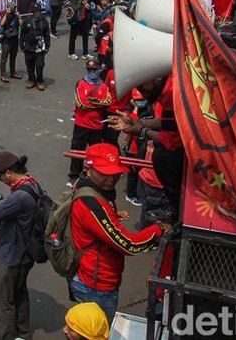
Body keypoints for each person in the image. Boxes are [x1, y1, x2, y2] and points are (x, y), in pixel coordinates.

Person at [69, 143, 168, 320]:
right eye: (104, 174)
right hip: (96, 286)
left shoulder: (94, 190)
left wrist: (112, 215)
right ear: (88, 170)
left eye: (115, 173)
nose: (111, 179)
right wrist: (159, 228)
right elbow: (129, 245)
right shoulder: (92, 205)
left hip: (95, 279)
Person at [0, 152, 40, 340]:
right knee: (20, 294)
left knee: (2, 304)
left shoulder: (19, 197)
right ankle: (23, 334)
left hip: (12, 256)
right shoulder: (32, 184)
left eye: (0, 177)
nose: (1, 181)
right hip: (26, 254)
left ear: (8, 173)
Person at [69, 59, 112, 185]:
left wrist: (92, 102)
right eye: (89, 70)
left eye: (94, 70)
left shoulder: (103, 86)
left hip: (97, 126)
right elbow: (81, 104)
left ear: (99, 70)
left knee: (95, 154)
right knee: (77, 151)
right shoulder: (80, 84)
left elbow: (108, 102)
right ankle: (74, 175)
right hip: (81, 124)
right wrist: (98, 103)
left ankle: (94, 176)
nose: (92, 72)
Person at [19, 1, 51, 90]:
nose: (37, 13)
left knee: (39, 65)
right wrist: (22, 45)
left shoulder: (44, 21)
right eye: (35, 11)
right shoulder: (27, 21)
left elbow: (47, 34)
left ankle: (40, 81)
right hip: (29, 47)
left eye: (39, 11)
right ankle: (31, 80)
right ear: (32, 12)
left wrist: (47, 45)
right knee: (29, 65)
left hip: (40, 48)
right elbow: (22, 33)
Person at [0, 4, 22, 82]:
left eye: (14, 7)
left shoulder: (16, 16)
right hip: (6, 40)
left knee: (13, 57)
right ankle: (3, 75)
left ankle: (13, 72)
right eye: (11, 7)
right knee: (4, 59)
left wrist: (19, 16)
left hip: (15, 39)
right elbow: (2, 23)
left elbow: (22, 25)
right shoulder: (5, 16)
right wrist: (7, 13)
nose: (13, 9)